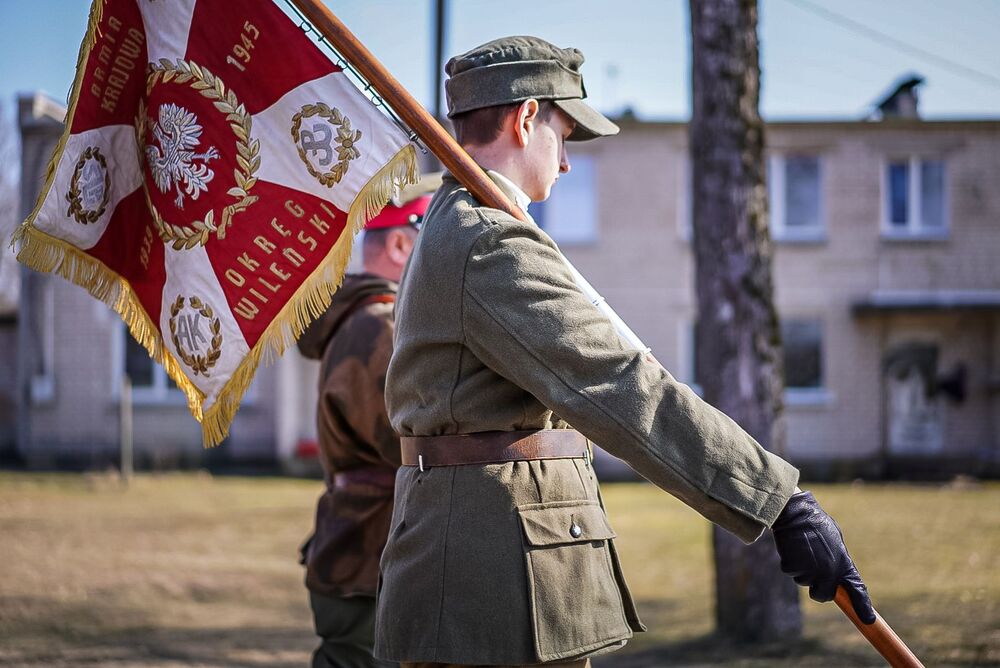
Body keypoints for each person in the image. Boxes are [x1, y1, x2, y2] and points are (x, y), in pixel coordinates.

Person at [375, 36, 874, 667]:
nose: (566, 163)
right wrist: (777, 501)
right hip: (493, 586)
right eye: (564, 135)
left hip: (489, 571)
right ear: (528, 118)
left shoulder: (464, 226)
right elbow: (621, 386)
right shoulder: (488, 243)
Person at [297, 179, 436, 668]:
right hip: (372, 559)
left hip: (360, 549)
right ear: (401, 243)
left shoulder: (366, 319)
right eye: (428, 235)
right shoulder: (380, 327)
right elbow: (415, 439)